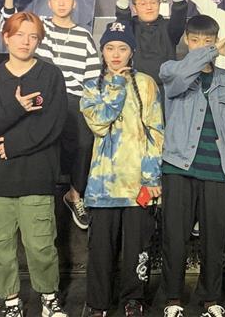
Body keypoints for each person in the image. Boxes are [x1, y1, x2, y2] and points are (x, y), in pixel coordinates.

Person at [0, 11, 68, 317]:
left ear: (39, 41)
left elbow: (53, 125)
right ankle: (11, 301)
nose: (26, 42)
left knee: (41, 246)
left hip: (36, 176)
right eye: (19, 35)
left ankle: (49, 299)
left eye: (33, 36)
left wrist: (12, 144)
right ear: (6, 38)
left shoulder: (50, 76)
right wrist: (17, 107)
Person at [159, 15, 225, 317]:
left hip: (216, 170)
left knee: (214, 239)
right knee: (175, 237)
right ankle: (172, 299)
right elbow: (180, 79)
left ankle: (211, 299)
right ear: (186, 40)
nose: (201, 46)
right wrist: (211, 51)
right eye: (195, 40)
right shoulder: (172, 70)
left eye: (208, 41)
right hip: (178, 166)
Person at [2, 0, 101, 230]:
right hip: (42, 96)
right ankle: (32, 197)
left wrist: (91, 106)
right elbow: (13, 29)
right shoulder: (40, 29)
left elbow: (92, 78)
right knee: (37, 139)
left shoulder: (84, 36)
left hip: (73, 98)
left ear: (74, 3)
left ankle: (75, 195)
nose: (62, 3)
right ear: (49, 3)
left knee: (85, 141)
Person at [81, 21, 164, 317]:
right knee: (100, 251)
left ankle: (134, 299)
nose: (116, 55)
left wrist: (152, 177)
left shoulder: (146, 84)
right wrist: (115, 85)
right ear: (102, 52)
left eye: (122, 48)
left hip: (138, 183)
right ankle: (98, 303)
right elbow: (99, 124)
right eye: (110, 48)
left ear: (132, 52)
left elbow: (156, 131)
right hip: (102, 186)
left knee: (137, 249)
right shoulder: (91, 87)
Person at [115, 0, 187, 89]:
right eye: (143, 4)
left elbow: (179, 17)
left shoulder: (169, 28)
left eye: (153, 2)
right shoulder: (130, 28)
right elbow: (122, 20)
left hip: (166, 90)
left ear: (159, 4)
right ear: (134, 8)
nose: (149, 7)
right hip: (135, 89)